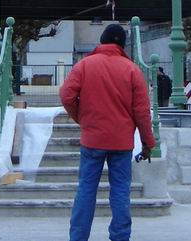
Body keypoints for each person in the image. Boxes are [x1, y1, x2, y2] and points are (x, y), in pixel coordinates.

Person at [59, 23, 155, 241]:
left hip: (92, 140)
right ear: (122, 45)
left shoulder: (84, 65)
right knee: (120, 191)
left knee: (86, 190)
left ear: (101, 41)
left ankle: (78, 237)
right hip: (121, 143)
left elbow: (66, 96)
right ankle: (120, 237)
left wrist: (80, 117)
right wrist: (148, 142)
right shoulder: (132, 70)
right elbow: (142, 112)